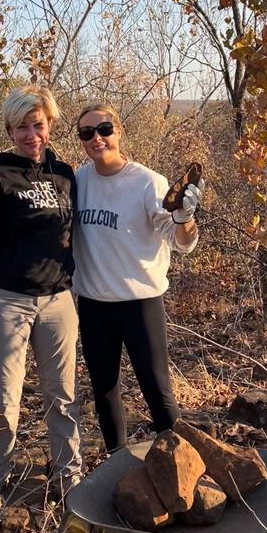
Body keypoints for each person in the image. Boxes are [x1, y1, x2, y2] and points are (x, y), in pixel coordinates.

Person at [0, 85, 82, 511]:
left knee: (62, 395)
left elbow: (76, 233)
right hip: (7, 298)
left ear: (50, 125)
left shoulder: (66, 174)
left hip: (58, 299)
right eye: (22, 127)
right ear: (10, 130)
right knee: (3, 396)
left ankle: (70, 478)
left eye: (39, 125)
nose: (32, 134)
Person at [72, 104, 202, 452]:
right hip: (94, 304)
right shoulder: (79, 181)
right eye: (87, 133)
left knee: (156, 389)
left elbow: (182, 242)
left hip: (140, 303)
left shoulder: (147, 182)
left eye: (104, 129)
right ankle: (118, 463)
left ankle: (181, 471)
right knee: (104, 390)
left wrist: (185, 217)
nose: (97, 138)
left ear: (119, 130)